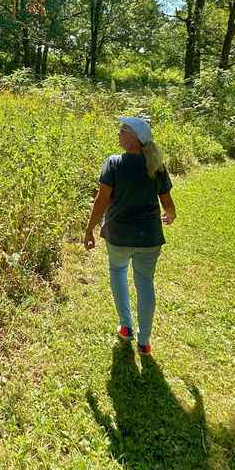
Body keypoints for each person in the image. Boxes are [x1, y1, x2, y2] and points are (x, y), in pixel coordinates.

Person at [83, 115, 176, 355]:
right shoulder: (156, 165)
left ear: (135, 139)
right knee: (145, 284)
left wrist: (89, 228)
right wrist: (171, 215)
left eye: (124, 130)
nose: (119, 133)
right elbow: (167, 201)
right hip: (149, 237)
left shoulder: (114, 163)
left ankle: (126, 327)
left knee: (118, 272)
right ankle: (144, 341)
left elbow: (102, 200)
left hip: (119, 235)